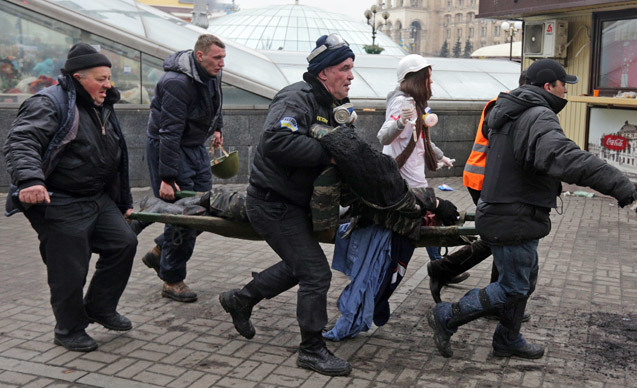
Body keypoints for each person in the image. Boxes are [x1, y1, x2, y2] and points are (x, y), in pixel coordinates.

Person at [427, 59, 637, 359]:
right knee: (513, 286)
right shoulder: (538, 115)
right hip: (513, 212)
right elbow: (562, 155)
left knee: (525, 280)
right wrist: (618, 183)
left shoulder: (515, 111)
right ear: (548, 86)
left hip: (511, 209)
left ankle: (508, 339)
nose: (567, 90)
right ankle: (447, 315)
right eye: (564, 84)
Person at [217, 33, 355, 377]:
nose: (351, 75)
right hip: (272, 202)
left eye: (352, 68)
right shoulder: (296, 98)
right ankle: (311, 349)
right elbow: (277, 140)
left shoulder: (329, 105)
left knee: (300, 265)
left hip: (295, 203)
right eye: (345, 68)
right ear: (323, 72)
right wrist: (331, 153)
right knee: (315, 273)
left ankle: (241, 299)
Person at [3, 42, 137, 352]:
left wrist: (123, 202)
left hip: (96, 196)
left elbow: (118, 157)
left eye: (109, 77)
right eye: (101, 78)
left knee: (124, 243)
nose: (109, 84)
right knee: (69, 269)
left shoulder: (101, 104)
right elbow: (21, 141)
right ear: (78, 77)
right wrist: (31, 180)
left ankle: (100, 307)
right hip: (58, 198)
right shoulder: (50, 103)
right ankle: (68, 329)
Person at [427, 72, 529, 306]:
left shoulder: (509, 106)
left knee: (501, 238)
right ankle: (443, 268)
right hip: (485, 182)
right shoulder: (505, 108)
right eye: (560, 86)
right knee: (499, 237)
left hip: (487, 182)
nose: (564, 91)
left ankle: (496, 298)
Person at [142, 34, 225, 303]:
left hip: (194, 146)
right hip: (171, 149)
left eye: (224, 58)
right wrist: (168, 177)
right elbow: (169, 132)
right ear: (200, 56)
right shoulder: (177, 83)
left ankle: (159, 251)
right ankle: (172, 280)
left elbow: (216, 101)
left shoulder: (210, 73)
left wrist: (217, 127)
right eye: (217, 58)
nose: (222, 64)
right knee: (185, 216)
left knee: (205, 209)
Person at [377, 54, 468, 279]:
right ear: (415, 79)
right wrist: (399, 122)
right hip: (404, 178)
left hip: (412, 175)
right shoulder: (402, 102)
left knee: (426, 219)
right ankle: (439, 268)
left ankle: (439, 267)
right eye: (428, 78)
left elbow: (420, 139)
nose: (431, 82)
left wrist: (442, 156)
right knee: (425, 218)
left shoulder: (414, 103)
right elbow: (383, 137)